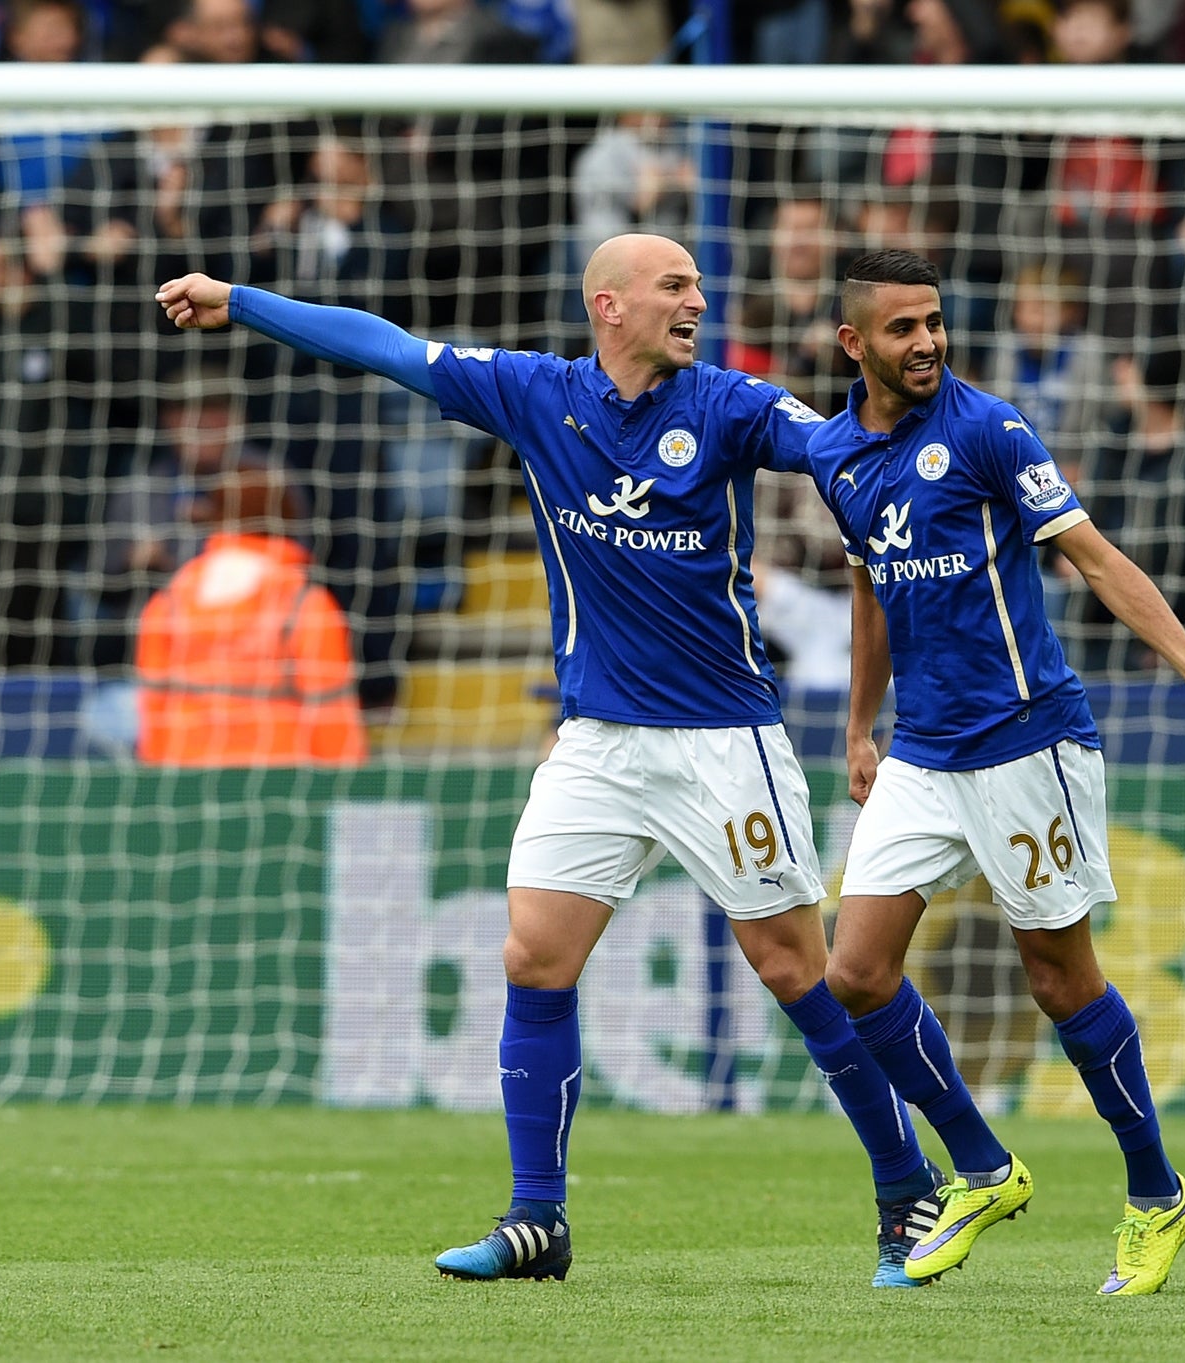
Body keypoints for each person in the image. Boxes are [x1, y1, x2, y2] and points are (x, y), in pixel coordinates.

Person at [154, 234, 945, 1289]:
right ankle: (537, 1220)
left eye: (699, 286)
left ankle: (908, 1191)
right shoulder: (533, 395)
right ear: (608, 305)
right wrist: (242, 302)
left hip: (724, 738)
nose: (696, 302)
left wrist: (934, 453)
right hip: (597, 742)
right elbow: (383, 347)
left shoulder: (733, 406)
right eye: (675, 287)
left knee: (797, 969)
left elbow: (846, 448)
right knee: (533, 955)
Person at [807, 249, 1185, 1296]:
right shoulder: (832, 453)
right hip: (921, 750)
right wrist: (856, 729)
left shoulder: (986, 428)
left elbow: (1092, 555)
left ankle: (1156, 1191)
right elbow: (870, 594)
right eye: (900, 328)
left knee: (1060, 979)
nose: (924, 342)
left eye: (933, 321)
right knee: (854, 972)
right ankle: (978, 1164)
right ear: (852, 343)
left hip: (1026, 742)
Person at [135, 464, 369, 767]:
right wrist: (346, 790)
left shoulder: (169, 602)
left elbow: (153, 712)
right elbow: (332, 713)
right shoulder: (303, 603)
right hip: (283, 784)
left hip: (186, 783)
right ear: (288, 519)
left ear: (215, 517)